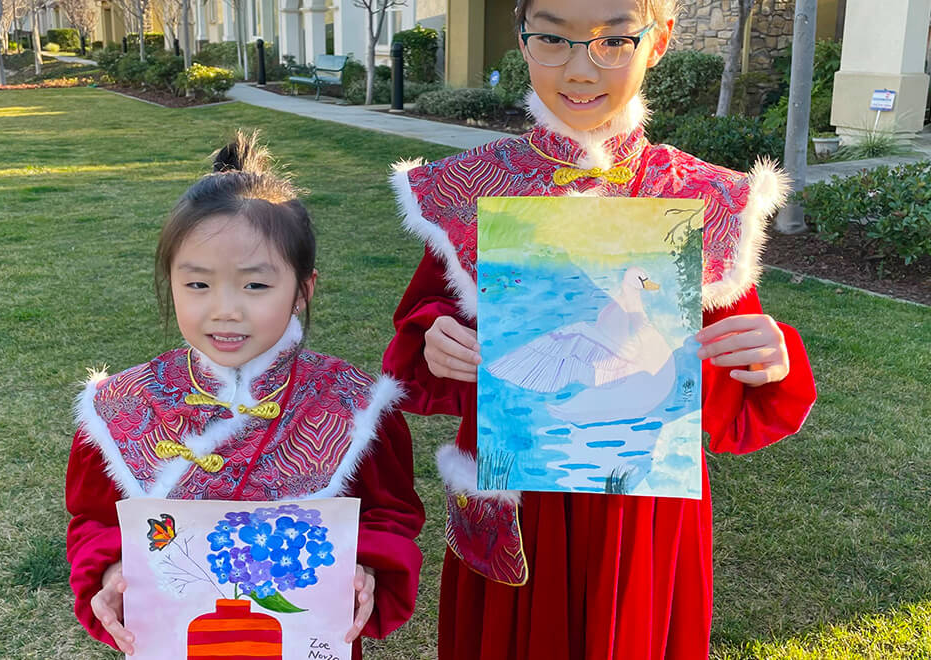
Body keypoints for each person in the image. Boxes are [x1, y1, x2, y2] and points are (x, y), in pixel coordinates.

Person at [382, 0, 817, 657]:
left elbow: (724, 368)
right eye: (554, 38)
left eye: (614, 40)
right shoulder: (468, 189)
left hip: (637, 501)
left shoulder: (701, 196)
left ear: (660, 39)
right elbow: (422, 323)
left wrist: (765, 355)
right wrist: (437, 335)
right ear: (522, 38)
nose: (582, 67)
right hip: (513, 493)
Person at [66, 132, 424, 658]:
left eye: (255, 285)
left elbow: (389, 516)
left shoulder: (354, 407)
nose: (225, 309)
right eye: (198, 285)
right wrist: (111, 570)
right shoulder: (121, 407)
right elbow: (94, 521)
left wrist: (365, 564)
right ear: (170, 282)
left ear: (303, 289)